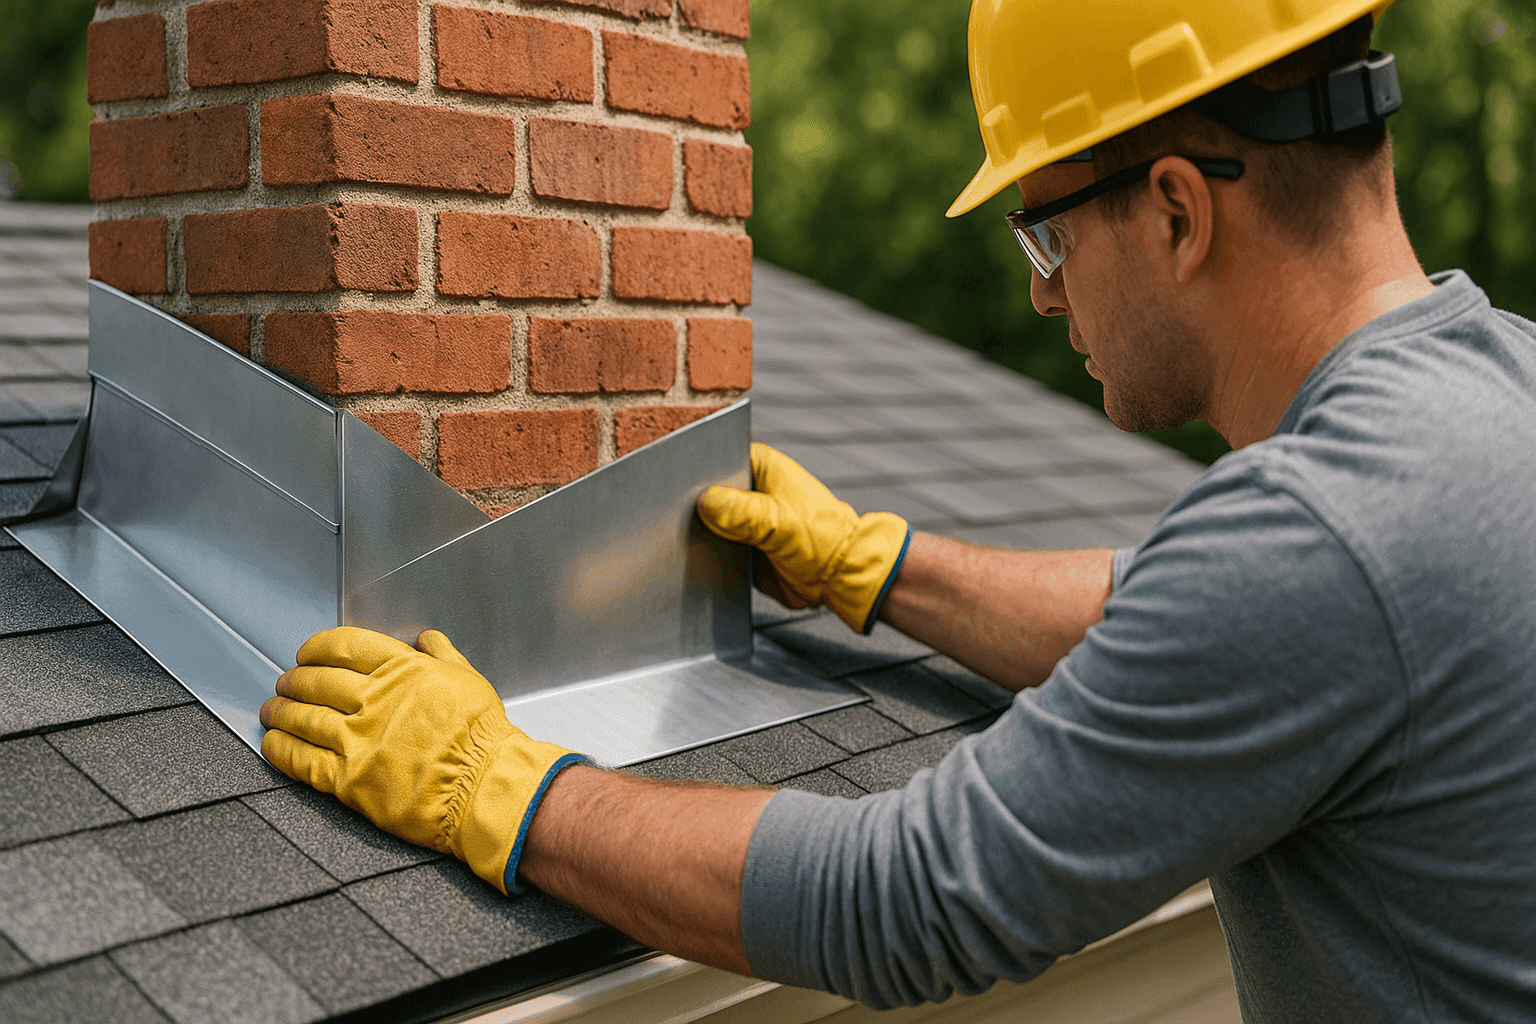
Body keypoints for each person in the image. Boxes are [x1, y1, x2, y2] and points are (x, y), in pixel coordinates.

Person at [257, 0, 1536, 1019]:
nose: (1044, 297)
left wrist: (506, 788)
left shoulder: (1322, 537)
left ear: (1177, 212)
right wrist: (878, 567)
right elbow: (1179, 625)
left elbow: (912, 897)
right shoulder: (1495, 393)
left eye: (1045, 238)